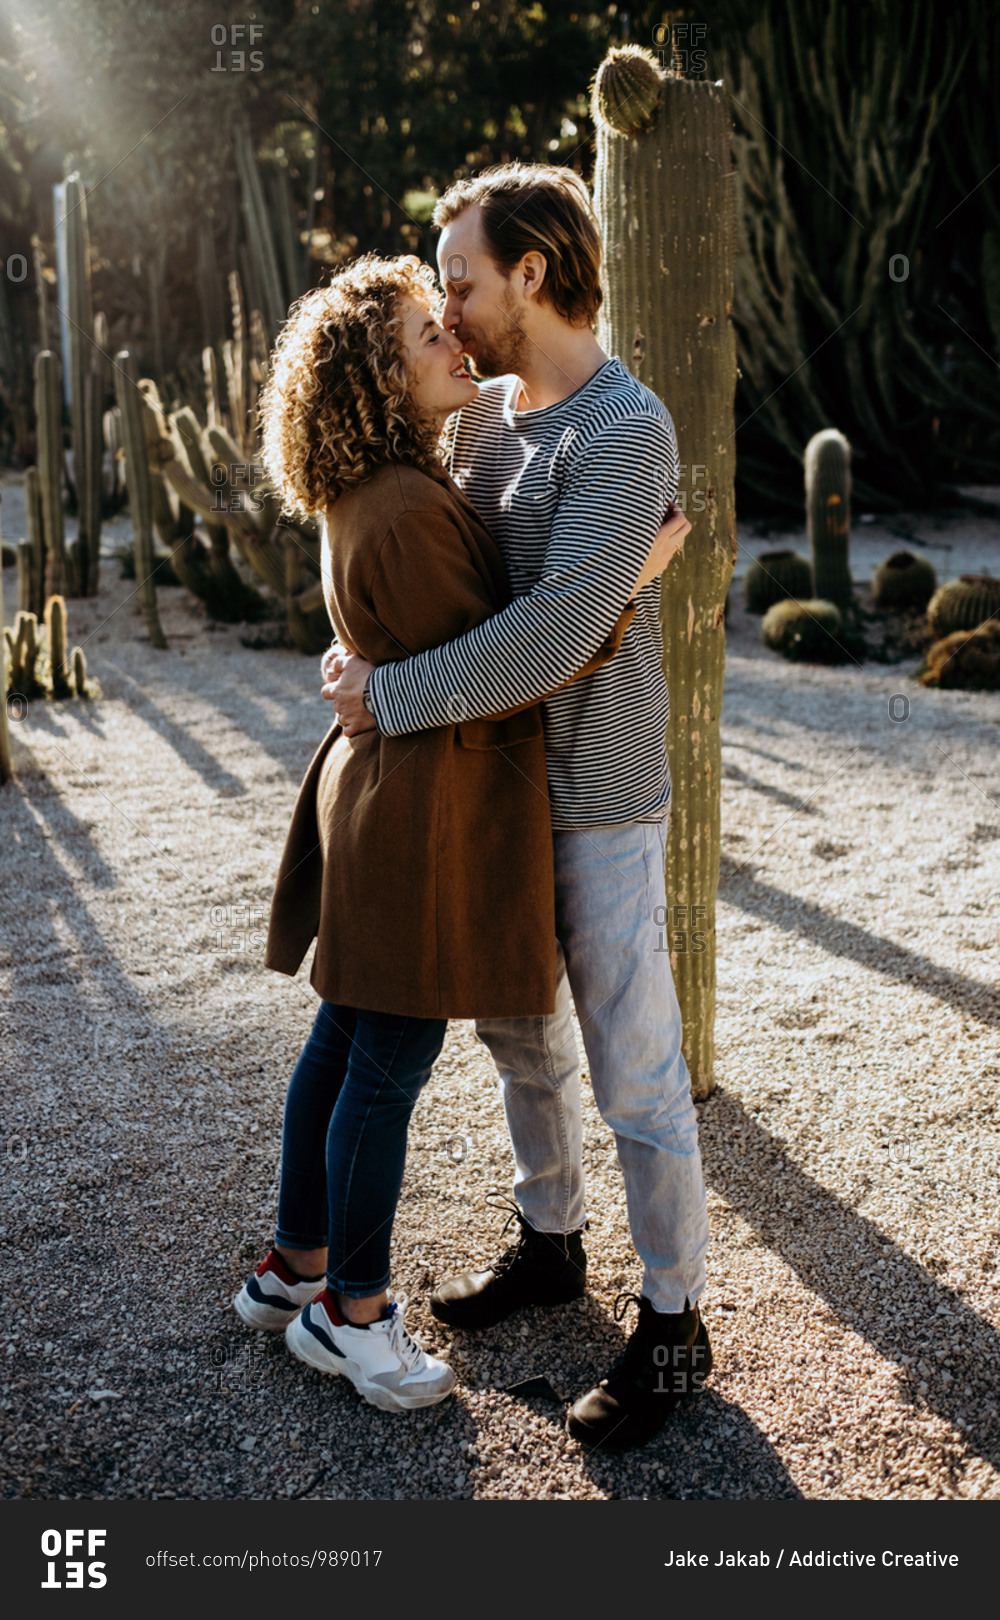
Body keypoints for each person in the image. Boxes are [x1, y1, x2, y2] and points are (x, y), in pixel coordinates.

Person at [232, 251, 687, 1416]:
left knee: (342, 1045)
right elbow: (508, 664)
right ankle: (354, 1312)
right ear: (380, 378)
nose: (454, 344)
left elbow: (445, 645)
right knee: (384, 1064)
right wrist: (628, 573)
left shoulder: (398, 476)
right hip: (424, 817)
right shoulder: (406, 507)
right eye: (427, 332)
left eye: (453, 311)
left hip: (402, 804)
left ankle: (296, 1265)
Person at [325, 163, 713, 1450]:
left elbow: (548, 634)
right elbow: (424, 564)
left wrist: (390, 696)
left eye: (463, 282)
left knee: (631, 1058)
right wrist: (358, 662)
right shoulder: (481, 417)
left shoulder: (626, 426)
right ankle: (549, 1240)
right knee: (515, 1037)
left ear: (532, 275)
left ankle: (671, 1323)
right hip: (485, 797)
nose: (451, 308)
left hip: (595, 788)